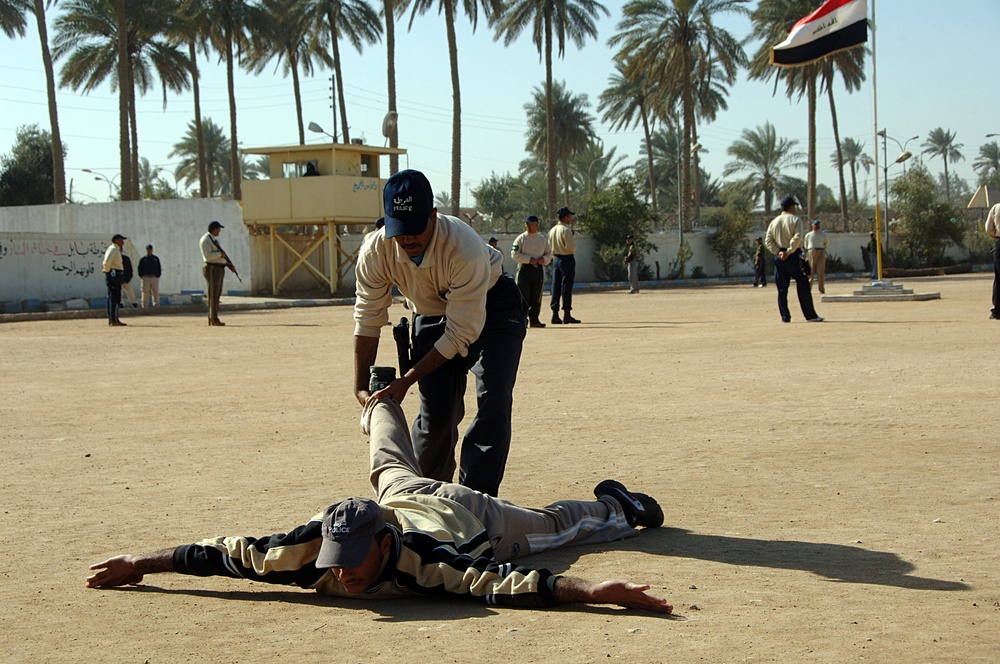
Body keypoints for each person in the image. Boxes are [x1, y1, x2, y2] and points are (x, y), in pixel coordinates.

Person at [85, 398, 670, 613]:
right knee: (387, 460)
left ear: (385, 545)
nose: (342, 571)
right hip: (402, 498)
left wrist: (596, 592)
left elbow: (511, 584)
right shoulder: (315, 549)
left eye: (355, 560)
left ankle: (617, 506)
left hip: (470, 520)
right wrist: (139, 564)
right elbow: (223, 555)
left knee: (552, 529)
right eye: (339, 558)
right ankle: (380, 398)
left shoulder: (430, 562)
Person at [354, 169, 527, 497]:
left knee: (493, 399)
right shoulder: (375, 252)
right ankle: (426, 501)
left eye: (416, 228)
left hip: (493, 309)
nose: (408, 240)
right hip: (432, 313)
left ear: (433, 215)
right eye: (400, 231)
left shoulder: (463, 246)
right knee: (436, 420)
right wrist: (360, 387)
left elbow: (461, 332)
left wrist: (406, 381)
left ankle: (473, 505)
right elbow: (367, 319)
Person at [764, 197, 823, 323]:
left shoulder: (774, 222)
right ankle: (810, 315)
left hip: (779, 258)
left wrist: (778, 252)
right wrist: (789, 251)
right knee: (802, 283)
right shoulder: (796, 220)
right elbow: (798, 237)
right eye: (794, 207)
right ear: (791, 207)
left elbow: (768, 240)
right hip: (793, 255)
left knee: (782, 288)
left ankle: (785, 317)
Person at [511, 214, 552, 327]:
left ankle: (535, 319)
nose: (528, 226)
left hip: (537, 269)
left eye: (531, 224)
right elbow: (514, 253)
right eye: (527, 224)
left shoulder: (542, 239)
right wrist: (529, 259)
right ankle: (522, 319)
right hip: (525, 269)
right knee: (523, 294)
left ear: (537, 225)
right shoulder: (521, 239)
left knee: (536, 294)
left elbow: (549, 253)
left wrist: (543, 260)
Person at [548, 206, 580, 324]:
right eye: (569, 216)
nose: (570, 218)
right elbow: (571, 247)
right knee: (566, 286)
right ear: (565, 217)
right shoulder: (566, 230)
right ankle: (567, 313)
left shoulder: (552, 230)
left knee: (556, 285)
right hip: (566, 259)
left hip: (556, 258)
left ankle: (555, 313)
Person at [200, 221, 236, 326]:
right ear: (214, 229)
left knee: (217, 294)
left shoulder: (213, 240)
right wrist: (220, 254)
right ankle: (213, 319)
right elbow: (208, 256)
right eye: (218, 229)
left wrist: (228, 264)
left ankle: (214, 317)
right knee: (213, 294)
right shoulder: (205, 240)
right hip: (212, 268)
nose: (219, 231)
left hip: (218, 268)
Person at [101, 234, 127, 327]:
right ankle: (113, 319)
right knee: (114, 298)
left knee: (114, 298)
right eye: (121, 240)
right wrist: (107, 270)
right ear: (116, 240)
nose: (123, 242)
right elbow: (107, 261)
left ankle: (113, 319)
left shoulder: (116, 250)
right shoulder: (113, 249)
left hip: (115, 275)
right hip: (114, 276)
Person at [804, 219, 829, 294]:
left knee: (820, 271)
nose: (817, 226)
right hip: (811, 252)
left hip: (820, 251)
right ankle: (808, 288)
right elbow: (805, 244)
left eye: (818, 224)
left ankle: (821, 289)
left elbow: (826, 244)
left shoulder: (823, 234)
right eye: (815, 224)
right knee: (810, 271)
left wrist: (822, 250)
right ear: (812, 226)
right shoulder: (808, 235)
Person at [986, 203, 1000, 320]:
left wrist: (995, 236)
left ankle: (997, 311)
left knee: (999, 278)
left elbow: (988, 228)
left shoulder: (996, 208)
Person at [137, 244, 162, 308]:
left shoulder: (155, 259)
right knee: (145, 292)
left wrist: (158, 275)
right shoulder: (143, 259)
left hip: (154, 277)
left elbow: (159, 267)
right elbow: (139, 268)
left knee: (155, 292)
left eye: (150, 250)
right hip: (146, 278)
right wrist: (142, 276)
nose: (149, 251)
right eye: (147, 250)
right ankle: (144, 306)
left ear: (152, 250)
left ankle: (156, 305)